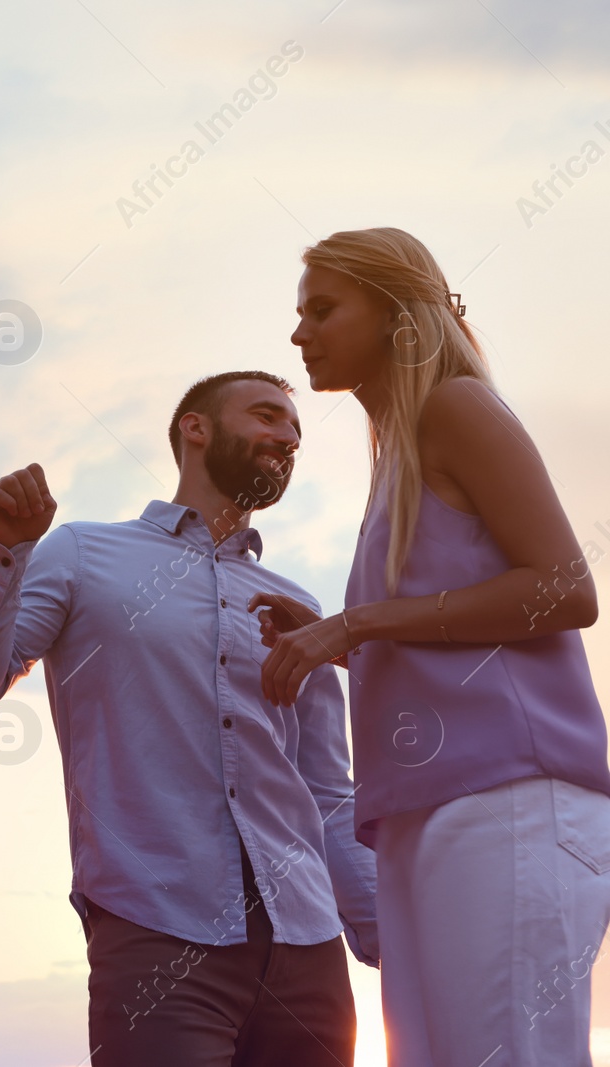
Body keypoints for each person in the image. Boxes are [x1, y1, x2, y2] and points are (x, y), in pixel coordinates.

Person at [0, 373, 379, 1066]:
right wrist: (3, 550)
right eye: (268, 415)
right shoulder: (84, 552)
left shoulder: (299, 605)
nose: (289, 437)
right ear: (195, 428)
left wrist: (388, 934)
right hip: (155, 925)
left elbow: (327, 791)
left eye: (296, 429)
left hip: (306, 944)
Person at [254, 226, 610, 1066]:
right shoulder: (395, 463)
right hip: (423, 814)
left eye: (322, 309)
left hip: (509, 798)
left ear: (391, 313)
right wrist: (333, 639)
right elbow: (452, 632)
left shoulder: (456, 406)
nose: (299, 333)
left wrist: (360, 623)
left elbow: (566, 590)